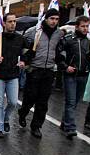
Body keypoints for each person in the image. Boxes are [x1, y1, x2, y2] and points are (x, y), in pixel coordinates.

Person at [19, 8, 63, 138]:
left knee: (43, 102)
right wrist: (25, 59)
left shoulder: (59, 34)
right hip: (34, 70)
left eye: (56, 19)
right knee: (30, 97)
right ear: (46, 19)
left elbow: (61, 50)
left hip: (49, 70)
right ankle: (23, 112)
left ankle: (36, 126)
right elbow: (23, 47)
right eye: (51, 18)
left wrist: (61, 61)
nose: (54, 21)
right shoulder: (34, 32)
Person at [0, 12, 29, 138]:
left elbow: (27, 52)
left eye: (14, 21)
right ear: (4, 23)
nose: (13, 24)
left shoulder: (21, 39)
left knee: (13, 102)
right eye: (10, 21)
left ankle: (5, 118)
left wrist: (24, 61)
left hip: (13, 75)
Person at [57, 15, 90, 139]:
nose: (85, 29)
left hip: (83, 75)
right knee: (70, 101)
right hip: (70, 75)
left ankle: (65, 122)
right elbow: (58, 55)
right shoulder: (68, 39)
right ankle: (70, 127)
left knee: (75, 102)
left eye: (87, 26)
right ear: (77, 27)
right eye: (83, 26)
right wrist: (65, 66)